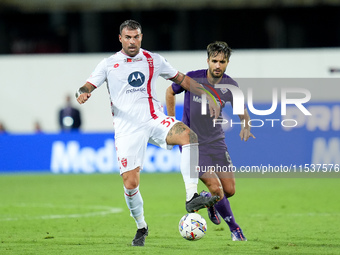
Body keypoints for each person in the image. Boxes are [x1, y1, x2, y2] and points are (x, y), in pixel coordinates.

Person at [75, 20, 221, 246]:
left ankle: (191, 196)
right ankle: (141, 227)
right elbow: (87, 85)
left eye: (136, 37)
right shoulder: (108, 64)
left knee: (189, 137)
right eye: (128, 37)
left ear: (141, 37)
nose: (132, 41)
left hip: (154, 119)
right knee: (131, 183)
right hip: (127, 129)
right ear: (120, 38)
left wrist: (208, 95)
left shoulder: (154, 59)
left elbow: (181, 79)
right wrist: (83, 93)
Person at [166, 41, 255, 241]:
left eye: (222, 62)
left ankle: (209, 203)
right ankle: (235, 229)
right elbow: (170, 92)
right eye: (214, 61)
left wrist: (246, 125)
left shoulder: (230, 85)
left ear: (227, 63)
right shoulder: (192, 78)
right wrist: (171, 122)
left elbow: (242, 111)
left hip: (217, 142)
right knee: (216, 188)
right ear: (207, 60)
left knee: (229, 190)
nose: (217, 65)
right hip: (193, 144)